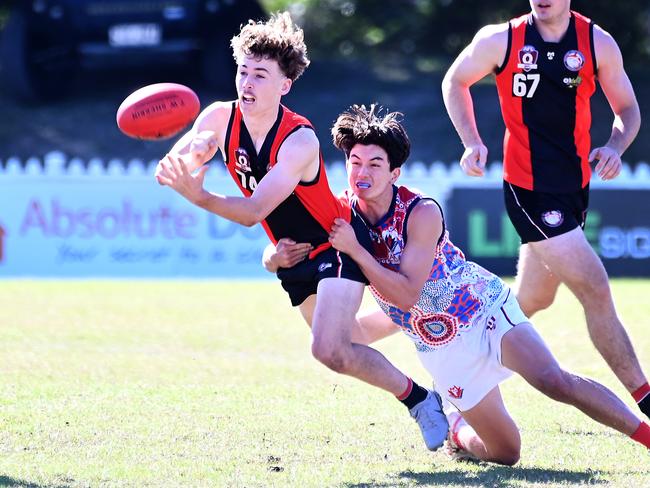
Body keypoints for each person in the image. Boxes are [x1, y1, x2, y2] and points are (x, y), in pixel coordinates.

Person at [154, 12, 447, 450]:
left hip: (337, 241)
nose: (247, 83)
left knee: (327, 349)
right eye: (242, 72)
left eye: (260, 75)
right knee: (346, 345)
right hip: (293, 256)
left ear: (284, 85)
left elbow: (254, 211)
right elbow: (186, 158)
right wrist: (185, 159)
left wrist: (199, 196)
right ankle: (407, 336)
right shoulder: (218, 117)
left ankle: (420, 400)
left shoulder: (299, 140)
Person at [311, 103, 650, 464]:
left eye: (374, 164)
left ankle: (647, 438)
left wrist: (357, 252)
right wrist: (276, 257)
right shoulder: (341, 213)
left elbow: (408, 294)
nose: (362, 172)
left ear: (394, 172)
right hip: (440, 347)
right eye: (355, 162)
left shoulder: (421, 211)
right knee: (507, 454)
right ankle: (456, 429)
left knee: (553, 381)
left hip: (483, 310)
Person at [441, 0, 650, 419]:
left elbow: (627, 109)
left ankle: (454, 378)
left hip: (573, 189)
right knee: (594, 285)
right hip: (528, 189)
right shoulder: (501, 39)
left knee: (532, 298)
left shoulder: (597, 43)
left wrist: (614, 146)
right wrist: (470, 140)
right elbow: (454, 81)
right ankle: (646, 397)